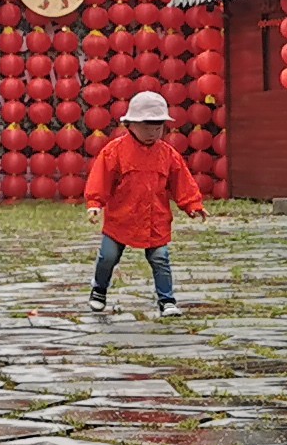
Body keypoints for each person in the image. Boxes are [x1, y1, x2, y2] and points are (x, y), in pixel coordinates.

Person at [84, 90, 206, 315]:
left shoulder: (168, 154)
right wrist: (95, 203)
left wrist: (192, 204)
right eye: (147, 127)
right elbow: (100, 179)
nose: (153, 132)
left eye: (158, 127)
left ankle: (167, 301)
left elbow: (181, 181)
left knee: (160, 258)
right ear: (130, 125)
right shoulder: (114, 152)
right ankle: (99, 289)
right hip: (120, 218)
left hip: (155, 220)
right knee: (108, 256)